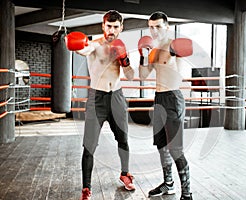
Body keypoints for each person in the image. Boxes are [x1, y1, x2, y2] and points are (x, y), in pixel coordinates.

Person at [65, 10, 135, 200]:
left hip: (117, 97)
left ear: (121, 27)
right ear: (103, 26)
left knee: (124, 140)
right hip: (97, 99)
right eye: (108, 26)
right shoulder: (95, 45)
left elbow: (130, 76)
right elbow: (83, 49)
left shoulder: (121, 46)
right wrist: (74, 44)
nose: (111, 30)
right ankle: (86, 188)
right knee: (89, 145)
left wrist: (125, 60)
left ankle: (125, 174)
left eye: (115, 27)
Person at [138, 11, 193, 200]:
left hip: (173, 98)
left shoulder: (174, 45)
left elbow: (182, 75)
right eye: (151, 27)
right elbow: (143, 76)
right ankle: (168, 184)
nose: (154, 31)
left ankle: (187, 193)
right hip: (159, 99)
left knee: (175, 149)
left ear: (167, 26)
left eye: (158, 27)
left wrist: (175, 54)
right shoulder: (153, 50)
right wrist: (143, 56)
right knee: (161, 145)